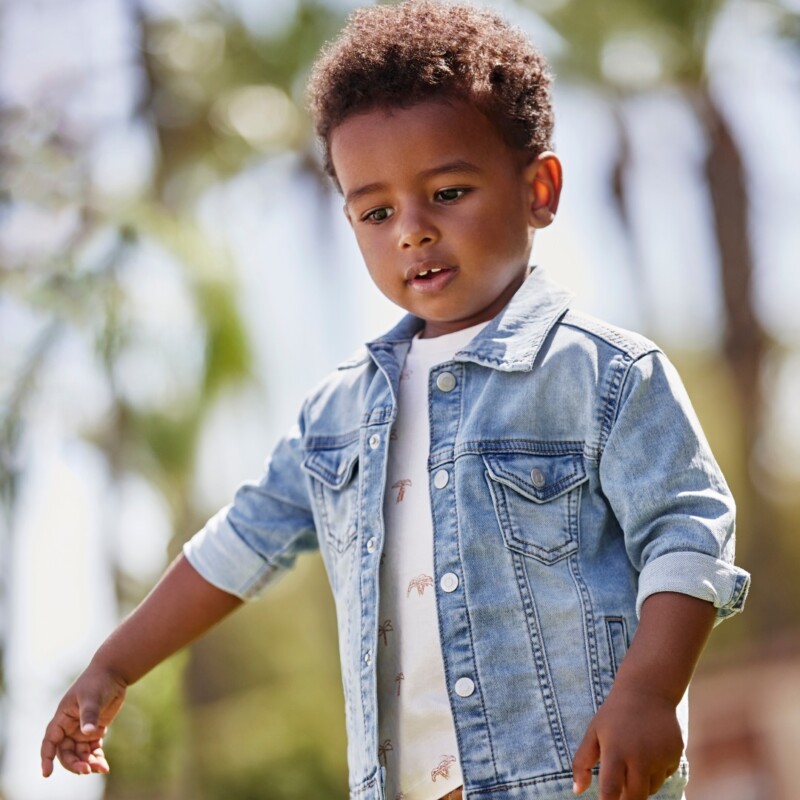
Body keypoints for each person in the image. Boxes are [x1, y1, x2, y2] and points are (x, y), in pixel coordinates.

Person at [40, 2, 751, 799]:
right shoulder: (339, 416)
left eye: (448, 192)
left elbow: (686, 535)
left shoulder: (605, 374)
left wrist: (649, 693)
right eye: (376, 212)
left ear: (539, 189)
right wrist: (113, 665)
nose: (411, 231)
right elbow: (238, 544)